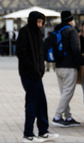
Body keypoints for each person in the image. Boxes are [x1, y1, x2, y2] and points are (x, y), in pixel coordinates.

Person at [16, 11, 59, 143]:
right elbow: (21, 53)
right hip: (28, 74)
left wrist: (40, 70)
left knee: (41, 102)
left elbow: (40, 54)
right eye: (38, 22)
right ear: (33, 20)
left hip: (37, 74)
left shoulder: (38, 33)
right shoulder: (24, 32)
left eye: (42, 22)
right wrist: (32, 69)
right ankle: (28, 134)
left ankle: (43, 131)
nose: (40, 25)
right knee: (32, 103)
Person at [51, 10, 83, 128]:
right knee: (68, 93)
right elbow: (75, 49)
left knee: (64, 93)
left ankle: (68, 117)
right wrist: (81, 62)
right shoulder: (71, 31)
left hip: (58, 66)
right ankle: (57, 117)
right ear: (71, 20)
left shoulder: (57, 30)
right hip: (69, 66)